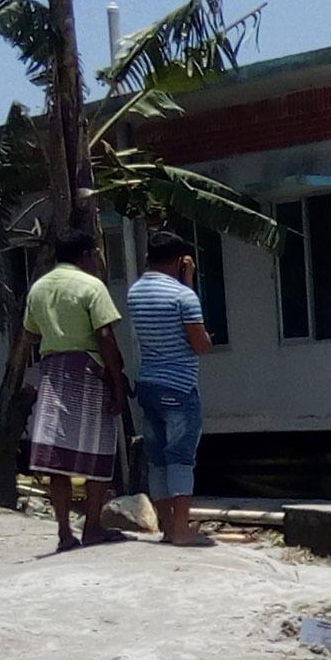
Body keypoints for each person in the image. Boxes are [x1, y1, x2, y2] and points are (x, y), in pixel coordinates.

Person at [22, 228, 132, 552]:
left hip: (53, 372)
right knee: (99, 452)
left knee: (58, 457)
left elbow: (31, 332)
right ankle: (93, 527)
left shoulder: (38, 289)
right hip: (89, 371)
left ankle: (63, 532)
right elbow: (105, 336)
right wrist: (117, 381)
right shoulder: (91, 286)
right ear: (86, 253)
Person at [127, 231, 215, 546]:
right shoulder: (183, 296)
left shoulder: (135, 292)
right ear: (180, 260)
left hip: (148, 382)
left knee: (158, 459)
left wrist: (183, 279)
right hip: (178, 386)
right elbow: (198, 343)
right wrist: (188, 280)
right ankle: (180, 530)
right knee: (180, 457)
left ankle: (167, 528)